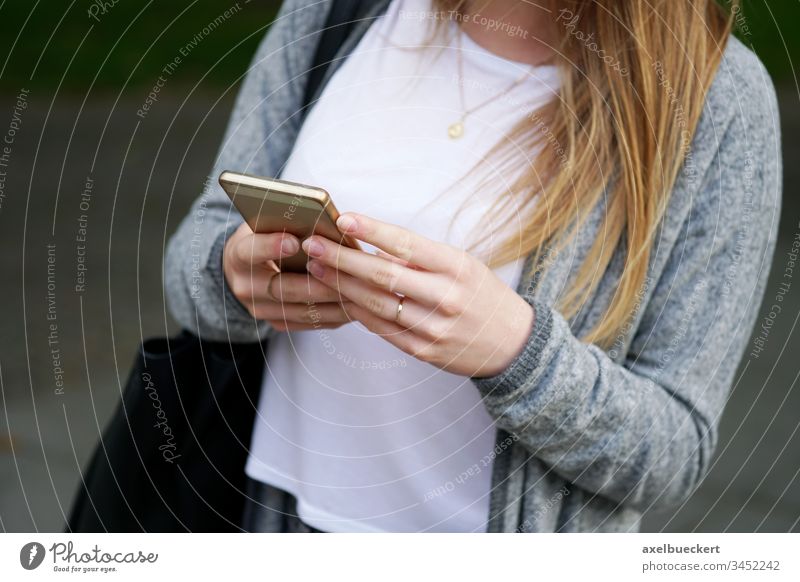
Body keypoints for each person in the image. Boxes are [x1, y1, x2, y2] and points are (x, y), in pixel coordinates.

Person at [164, 0, 782, 532]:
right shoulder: (335, 11)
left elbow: (673, 453)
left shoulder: (717, 96)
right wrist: (230, 276)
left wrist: (518, 353)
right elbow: (198, 248)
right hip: (279, 519)